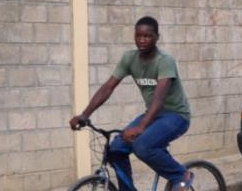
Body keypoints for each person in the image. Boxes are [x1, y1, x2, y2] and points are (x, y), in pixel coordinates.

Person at [69, 16, 193, 190]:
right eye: (138, 36)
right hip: (153, 115)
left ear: (157, 37)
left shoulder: (164, 61)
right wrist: (85, 114)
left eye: (147, 36)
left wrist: (140, 128)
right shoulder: (129, 58)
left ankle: (181, 174)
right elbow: (107, 88)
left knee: (142, 146)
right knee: (114, 150)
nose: (142, 40)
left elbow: (158, 99)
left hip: (176, 115)